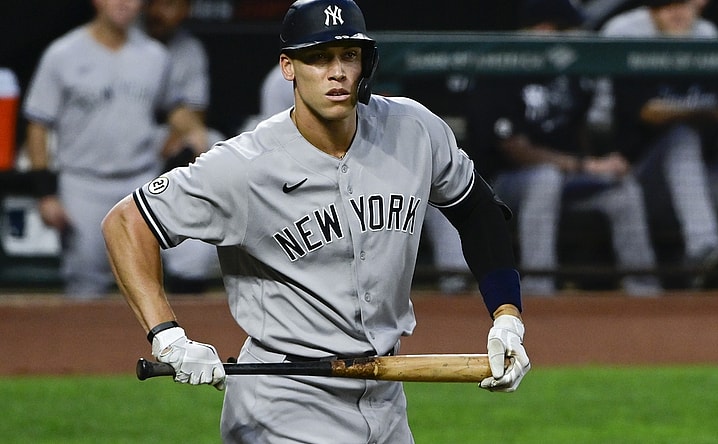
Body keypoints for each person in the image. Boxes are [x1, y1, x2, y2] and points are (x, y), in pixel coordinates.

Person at [101, 0, 531, 442]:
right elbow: (127, 222)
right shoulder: (246, 166)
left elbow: (478, 209)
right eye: (318, 57)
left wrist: (506, 318)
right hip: (285, 402)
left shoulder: (413, 130)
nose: (337, 71)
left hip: (386, 397)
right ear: (288, 68)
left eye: (349, 55)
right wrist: (167, 336)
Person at [467, 0, 662, 297]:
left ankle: (645, 289)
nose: (578, 36)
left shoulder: (571, 68)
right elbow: (514, 149)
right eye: (571, 29)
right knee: (545, 177)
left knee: (622, 190)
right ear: (545, 29)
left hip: (565, 178)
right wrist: (584, 166)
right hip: (503, 187)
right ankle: (538, 288)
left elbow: (580, 129)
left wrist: (598, 164)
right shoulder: (502, 65)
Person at [21, 0, 207, 298]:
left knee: (189, 258)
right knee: (86, 286)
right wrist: (45, 192)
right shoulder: (63, 54)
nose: (123, 3)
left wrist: (194, 130)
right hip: (83, 184)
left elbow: (172, 107)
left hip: (141, 180)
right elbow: (38, 124)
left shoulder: (154, 55)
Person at [600, 0, 718, 285]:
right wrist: (717, 114)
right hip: (644, 186)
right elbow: (644, 110)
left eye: (684, 5)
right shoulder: (626, 31)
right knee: (682, 135)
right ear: (651, 9)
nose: (677, 13)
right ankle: (704, 248)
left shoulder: (705, 34)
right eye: (667, 6)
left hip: (708, 184)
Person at [142, 0, 222, 293]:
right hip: (116, 154)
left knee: (209, 140)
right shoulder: (130, 45)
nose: (160, 12)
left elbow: (194, 115)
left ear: (185, 11)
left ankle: (189, 266)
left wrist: (181, 134)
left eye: (171, 5)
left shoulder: (188, 50)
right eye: (155, 3)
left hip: (160, 154)